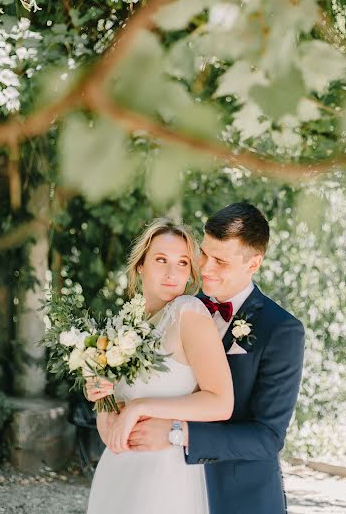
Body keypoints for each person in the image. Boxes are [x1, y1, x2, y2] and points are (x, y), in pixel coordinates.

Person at [121, 202, 305, 514]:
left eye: (220, 261)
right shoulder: (179, 308)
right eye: (204, 254)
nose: (205, 268)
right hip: (169, 487)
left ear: (253, 263)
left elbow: (267, 437)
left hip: (239, 498)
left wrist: (177, 433)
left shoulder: (282, 330)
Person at [85, 218, 234, 514]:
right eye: (161, 260)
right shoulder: (126, 324)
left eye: (182, 263)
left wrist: (140, 407)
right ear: (140, 265)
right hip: (118, 469)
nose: (172, 273)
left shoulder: (189, 314)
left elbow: (221, 402)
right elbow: (111, 421)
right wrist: (100, 395)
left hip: (163, 475)